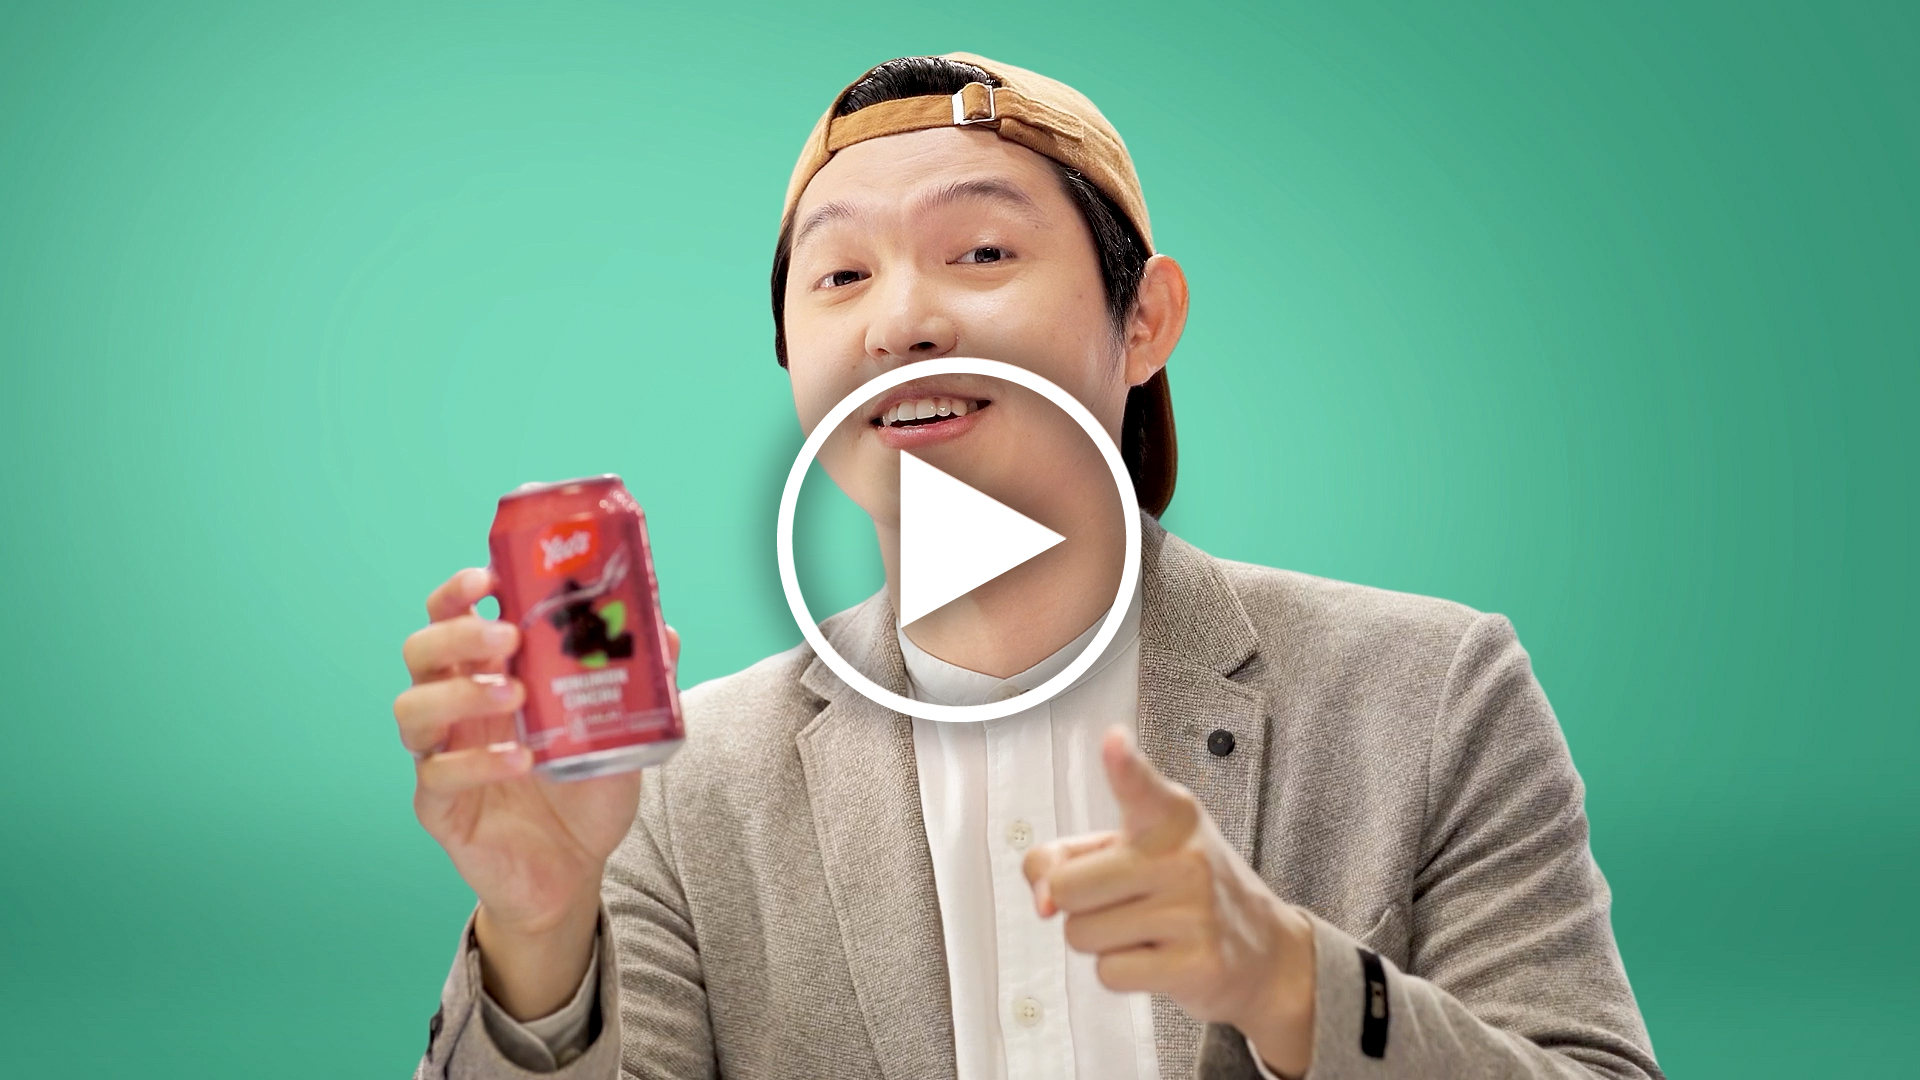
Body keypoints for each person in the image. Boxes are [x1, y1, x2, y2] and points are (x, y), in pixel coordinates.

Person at [397, 54, 1662, 1080]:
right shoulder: (676, 790)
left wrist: (1290, 983)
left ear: (1145, 320)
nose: (902, 321)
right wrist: (539, 937)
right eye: (840, 276)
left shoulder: (1432, 693)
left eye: (983, 254)